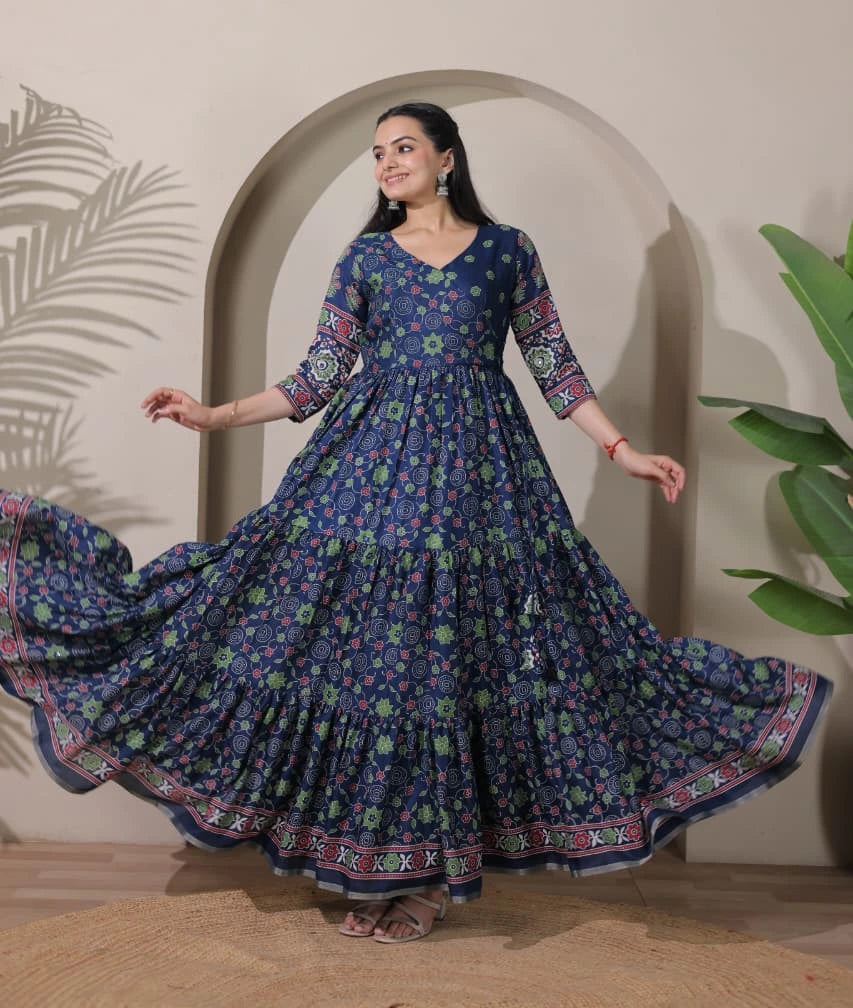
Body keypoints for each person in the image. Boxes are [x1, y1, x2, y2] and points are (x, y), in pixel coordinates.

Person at [0, 101, 833, 946]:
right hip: (370, 471)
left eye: (403, 148)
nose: (387, 163)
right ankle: (380, 865)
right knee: (375, 663)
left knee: (453, 667)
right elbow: (316, 375)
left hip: (482, 478)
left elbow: (553, 363)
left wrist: (621, 451)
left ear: (446, 159)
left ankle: (427, 882)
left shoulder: (508, 251)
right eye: (377, 154)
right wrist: (212, 415)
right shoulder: (365, 257)